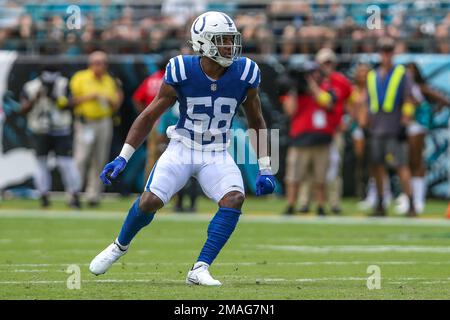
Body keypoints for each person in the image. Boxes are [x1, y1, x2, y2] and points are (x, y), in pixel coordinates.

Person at [89, 11, 276, 286]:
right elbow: (149, 115)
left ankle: (200, 268)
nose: (229, 46)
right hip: (182, 147)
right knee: (150, 200)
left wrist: (266, 168)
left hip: (216, 152)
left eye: (231, 39)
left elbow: (256, 120)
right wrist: (123, 157)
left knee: (234, 198)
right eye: (222, 40)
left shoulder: (246, 72)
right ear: (204, 42)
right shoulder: (181, 69)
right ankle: (119, 245)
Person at [366, 37, 416, 217]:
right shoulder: (372, 75)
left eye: (389, 51)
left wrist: (405, 122)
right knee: (377, 167)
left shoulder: (402, 73)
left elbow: (409, 100)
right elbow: (368, 102)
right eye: (383, 51)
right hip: (377, 128)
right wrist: (366, 124)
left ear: (393, 52)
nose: (386, 54)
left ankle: (411, 203)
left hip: (395, 127)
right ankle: (380, 202)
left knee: (401, 166)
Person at [20, 65, 81, 208]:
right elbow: (23, 108)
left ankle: (74, 194)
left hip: (61, 129)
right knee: (41, 163)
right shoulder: (31, 86)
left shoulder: (64, 83)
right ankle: (44, 195)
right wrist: (36, 98)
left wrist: (56, 99)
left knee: (66, 163)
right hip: (40, 129)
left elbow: (71, 103)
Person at [281, 61, 336, 216]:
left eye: (314, 72)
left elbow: (328, 103)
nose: (312, 76)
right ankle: (291, 205)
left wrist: (312, 86)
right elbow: (290, 111)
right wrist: (294, 89)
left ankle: (320, 206)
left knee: (320, 177)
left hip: (322, 140)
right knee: (294, 176)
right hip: (300, 139)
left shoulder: (326, 89)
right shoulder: (296, 91)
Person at [70, 51, 123, 207]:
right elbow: (70, 100)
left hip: (104, 122)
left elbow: (116, 103)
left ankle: (93, 195)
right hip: (85, 122)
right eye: (97, 63)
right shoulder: (80, 77)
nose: (101, 66)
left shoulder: (109, 80)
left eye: (103, 63)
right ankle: (74, 193)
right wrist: (90, 97)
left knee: (99, 159)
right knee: (81, 158)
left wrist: (112, 99)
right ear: (90, 64)